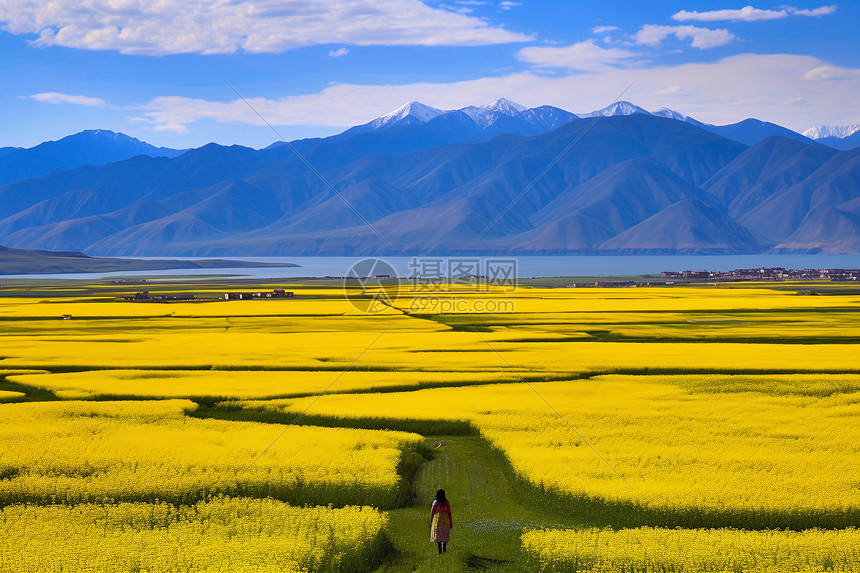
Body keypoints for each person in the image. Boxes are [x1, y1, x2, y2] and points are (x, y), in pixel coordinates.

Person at [430, 489, 452, 554]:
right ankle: (444, 549)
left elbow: (433, 511)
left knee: (439, 534)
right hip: (445, 520)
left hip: (438, 520)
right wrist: (450, 522)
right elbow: (449, 512)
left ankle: (440, 551)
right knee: (445, 533)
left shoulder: (436, 502)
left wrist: (431, 520)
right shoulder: (446, 503)